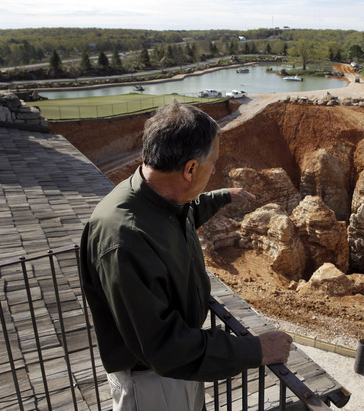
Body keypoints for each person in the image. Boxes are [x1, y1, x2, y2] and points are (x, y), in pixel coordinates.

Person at [80, 100, 293, 411]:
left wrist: (224, 196)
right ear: (191, 168)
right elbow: (164, 347)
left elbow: (187, 210)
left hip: (177, 370)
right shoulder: (123, 239)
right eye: (213, 163)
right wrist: (255, 349)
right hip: (152, 383)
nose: (216, 169)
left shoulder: (157, 198)